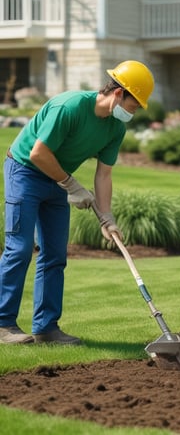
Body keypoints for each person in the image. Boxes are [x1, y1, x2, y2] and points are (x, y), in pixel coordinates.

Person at [0, 60, 154, 345]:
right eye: (134, 105)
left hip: (57, 178)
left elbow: (104, 175)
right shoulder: (69, 107)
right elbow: (38, 154)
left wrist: (107, 218)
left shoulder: (115, 129)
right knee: (19, 248)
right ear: (119, 93)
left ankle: (46, 328)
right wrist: (70, 184)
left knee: (55, 254)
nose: (134, 112)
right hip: (25, 171)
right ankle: (2, 323)